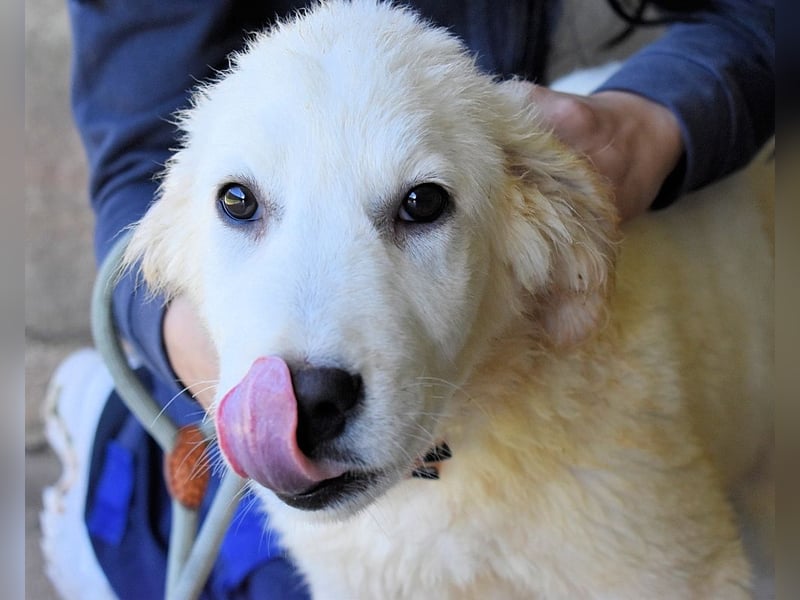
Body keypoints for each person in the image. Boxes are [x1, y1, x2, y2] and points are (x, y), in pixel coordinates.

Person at [54, 1, 773, 598]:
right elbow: (136, 177)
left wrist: (653, 119)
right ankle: (114, 440)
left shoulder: (599, 386)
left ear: (548, 246)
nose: (308, 371)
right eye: (240, 203)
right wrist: (183, 350)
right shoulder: (182, 211)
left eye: (420, 204)